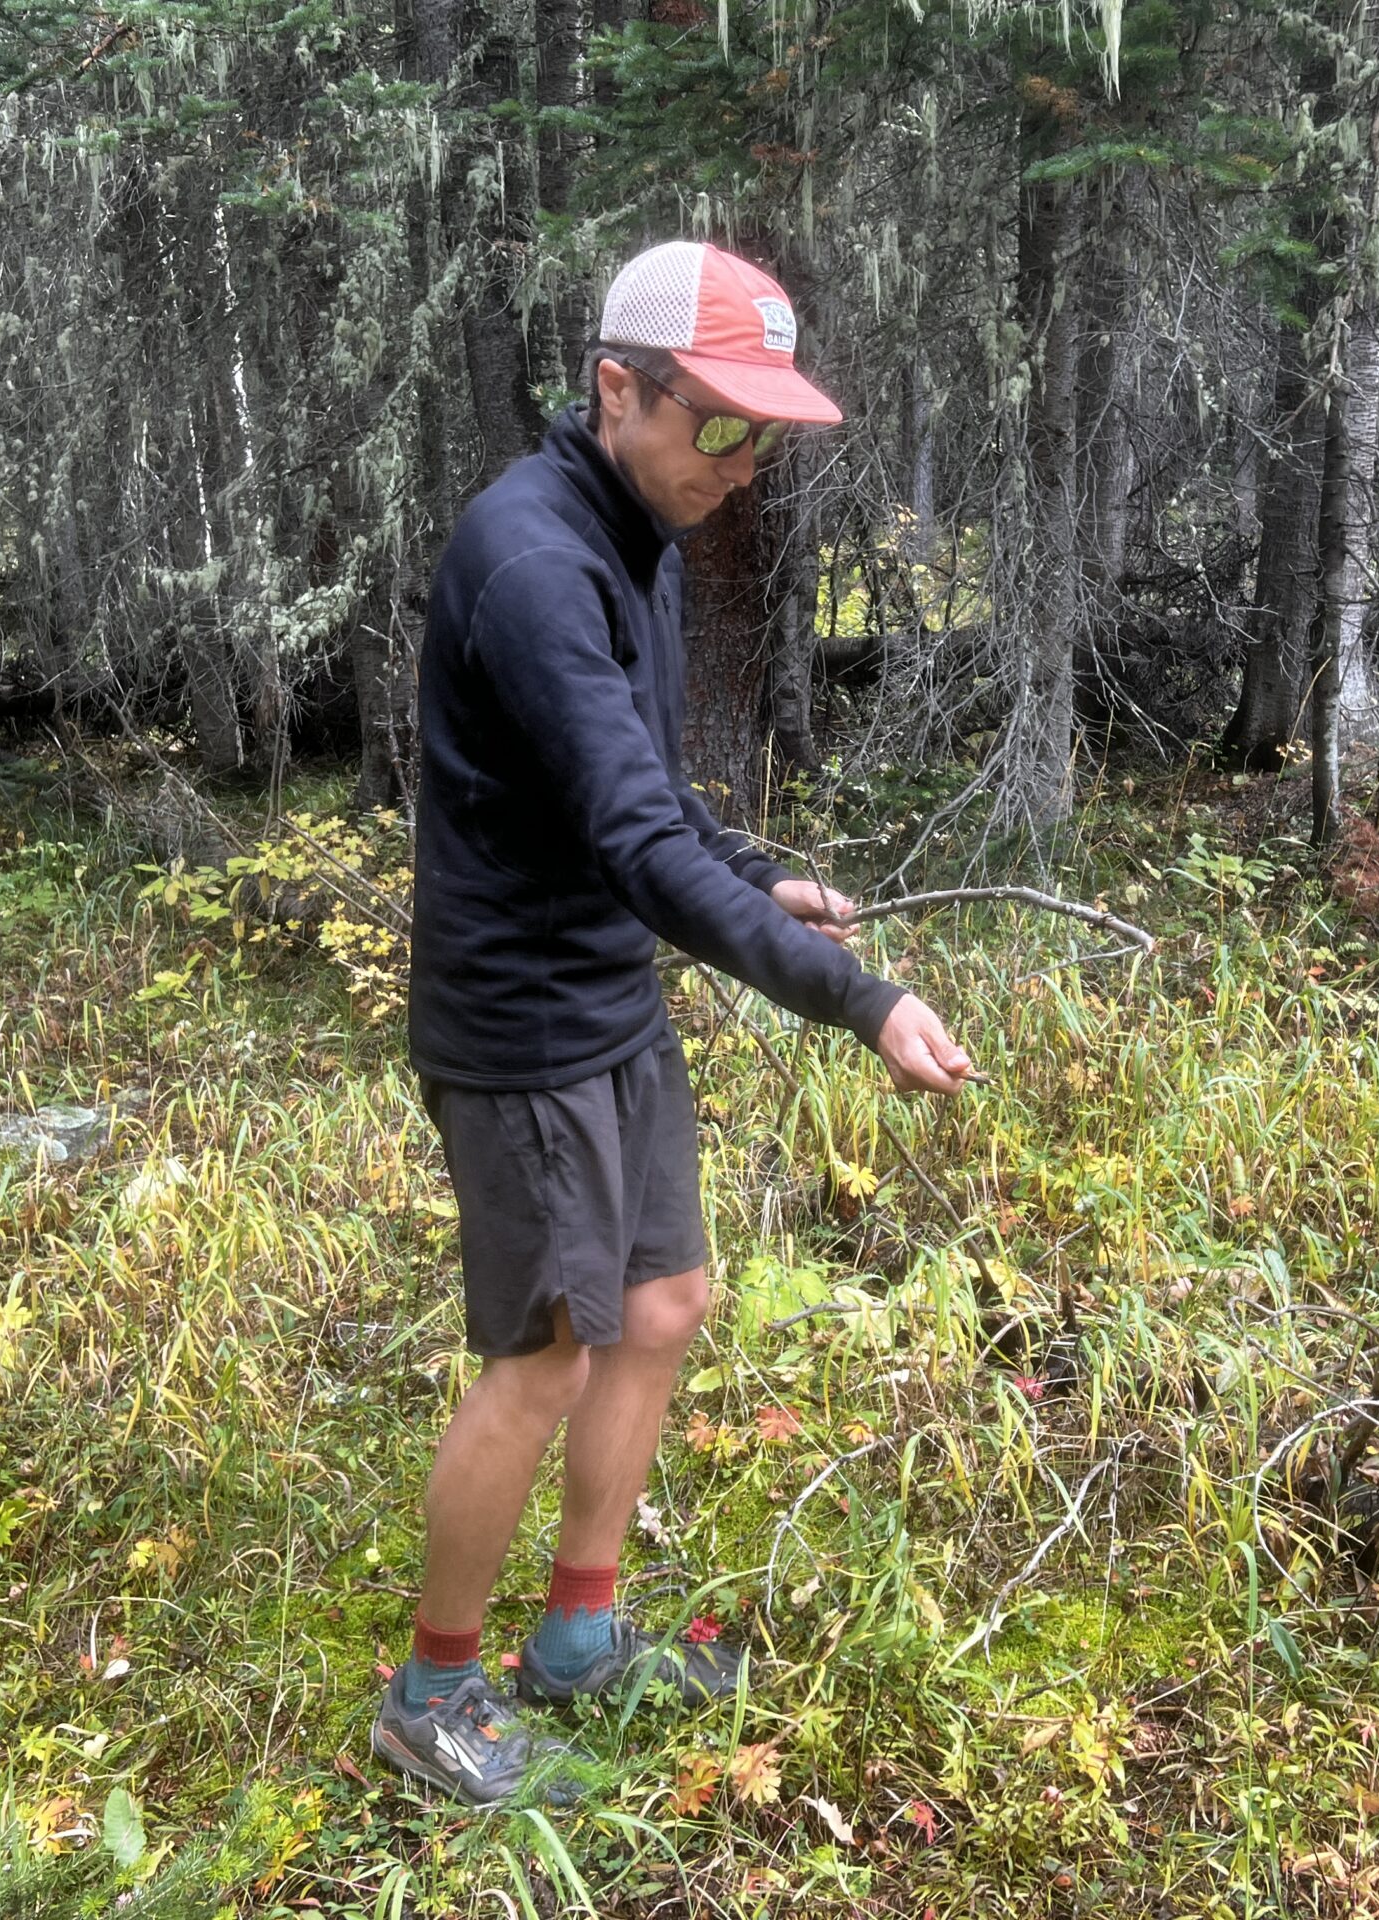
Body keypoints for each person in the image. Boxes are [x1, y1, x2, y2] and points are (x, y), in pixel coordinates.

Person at [375, 239, 976, 1806]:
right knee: (545, 1359)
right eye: (717, 422)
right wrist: (861, 999)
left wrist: (753, 877)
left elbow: (642, 810)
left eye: (762, 430)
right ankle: (431, 1693)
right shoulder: (534, 561)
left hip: (611, 1000)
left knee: (666, 1306)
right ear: (616, 391)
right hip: (522, 1031)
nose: (742, 462)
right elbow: (634, 843)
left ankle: (576, 1641)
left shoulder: (632, 527)